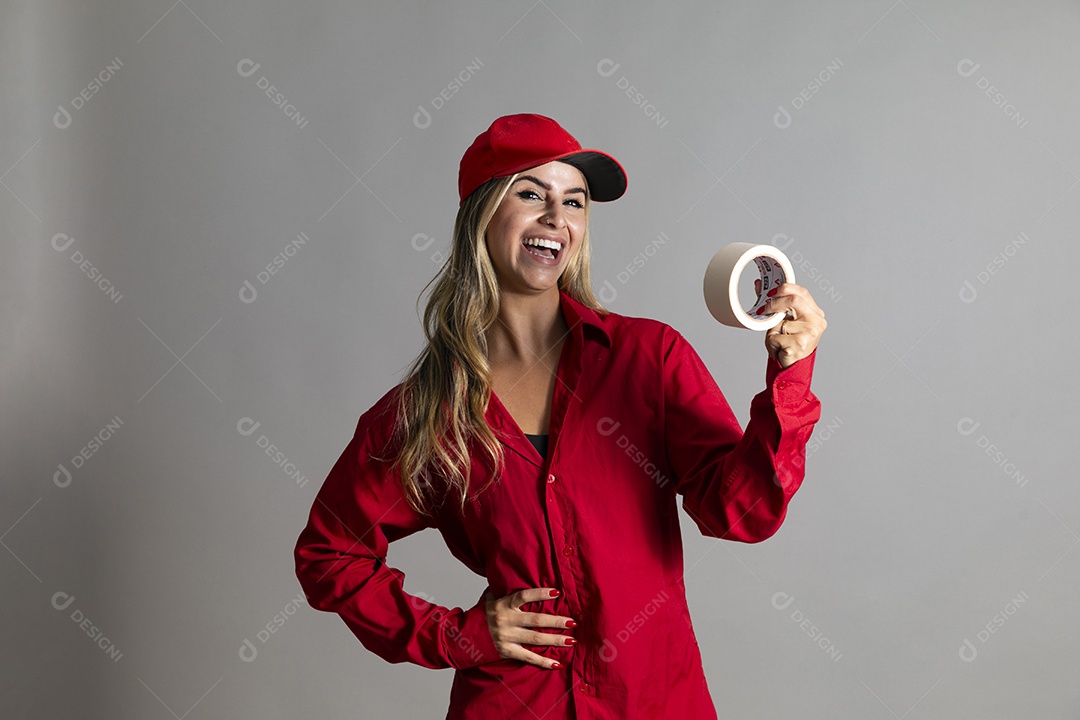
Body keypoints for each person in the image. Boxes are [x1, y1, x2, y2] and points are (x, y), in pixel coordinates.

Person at [293, 113, 826, 719]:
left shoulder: (646, 359)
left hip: (654, 702)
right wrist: (457, 634)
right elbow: (329, 554)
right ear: (481, 215)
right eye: (530, 194)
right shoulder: (426, 412)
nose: (556, 218)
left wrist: (791, 372)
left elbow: (745, 513)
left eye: (573, 202)